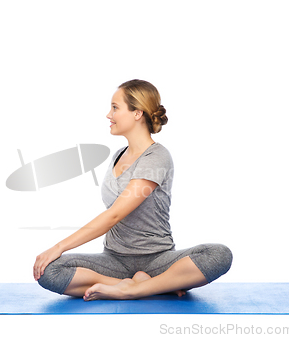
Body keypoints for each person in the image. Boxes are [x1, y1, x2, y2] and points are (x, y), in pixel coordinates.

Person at [33, 79, 232, 301]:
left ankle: (134, 289)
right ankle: (146, 286)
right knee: (49, 271)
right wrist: (55, 254)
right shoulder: (118, 155)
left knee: (219, 255)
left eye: (115, 108)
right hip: (114, 261)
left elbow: (115, 214)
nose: (109, 115)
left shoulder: (156, 156)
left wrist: (58, 246)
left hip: (158, 260)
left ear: (137, 113)